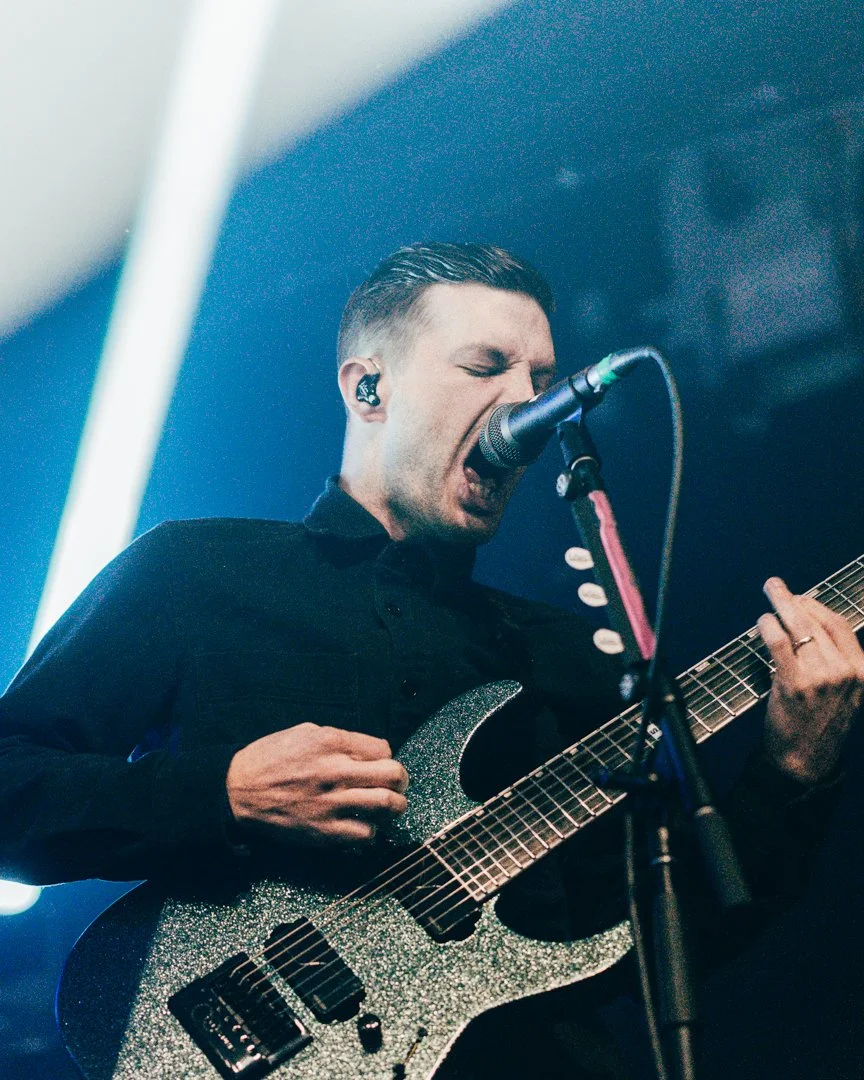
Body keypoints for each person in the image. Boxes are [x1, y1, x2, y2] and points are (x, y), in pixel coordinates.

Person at [0, 242, 862, 1079]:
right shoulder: (197, 572)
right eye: (486, 366)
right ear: (368, 387)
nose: (526, 405)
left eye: (540, 379)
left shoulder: (563, 657)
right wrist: (220, 793)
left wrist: (794, 769)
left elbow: (665, 947)